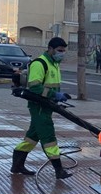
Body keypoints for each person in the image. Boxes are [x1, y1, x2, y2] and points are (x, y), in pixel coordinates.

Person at [11, 37, 73, 180]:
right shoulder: (40, 63)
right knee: (49, 138)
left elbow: (50, 85)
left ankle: (17, 165)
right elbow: (35, 87)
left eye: (64, 51)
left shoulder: (54, 64)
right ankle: (59, 171)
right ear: (50, 49)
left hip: (46, 106)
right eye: (59, 51)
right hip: (38, 106)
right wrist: (54, 95)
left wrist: (58, 97)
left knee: (31, 138)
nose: (61, 54)